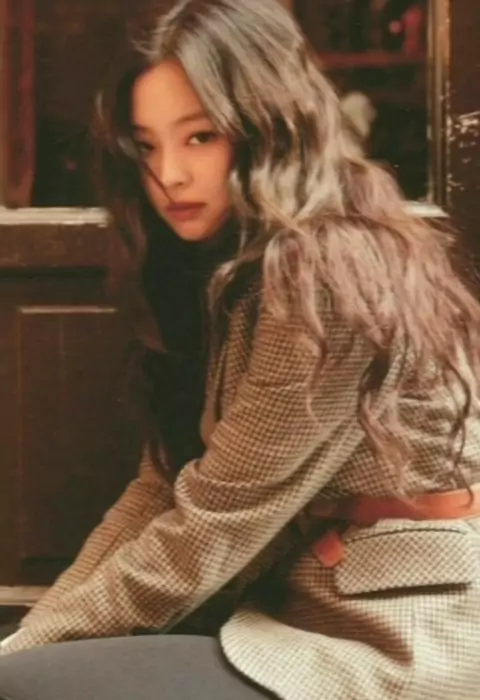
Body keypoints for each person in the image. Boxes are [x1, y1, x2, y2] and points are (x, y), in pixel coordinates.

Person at [2, 0, 480, 698]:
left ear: (269, 128)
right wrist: (31, 634)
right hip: (292, 609)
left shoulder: (331, 270)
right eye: (147, 145)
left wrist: (22, 656)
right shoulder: (228, 265)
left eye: (200, 137)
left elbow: (215, 520)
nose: (169, 173)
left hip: (395, 634)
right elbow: (158, 488)